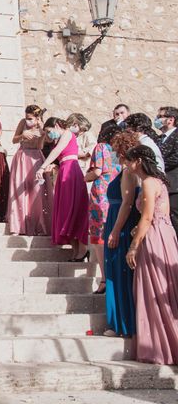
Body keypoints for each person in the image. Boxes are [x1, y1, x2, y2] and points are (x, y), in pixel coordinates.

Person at [124, 145, 178, 365]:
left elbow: (147, 218)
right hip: (166, 236)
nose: (127, 165)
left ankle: (160, 347)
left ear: (138, 160)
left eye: (129, 161)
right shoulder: (160, 182)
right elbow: (161, 214)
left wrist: (134, 246)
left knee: (152, 288)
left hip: (154, 238)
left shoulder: (147, 183)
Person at [103, 129, 141, 338]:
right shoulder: (127, 170)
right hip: (116, 221)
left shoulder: (128, 172)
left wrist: (115, 231)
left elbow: (127, 203)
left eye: (116, 149)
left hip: (121, 224)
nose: (114, 153)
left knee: (119, 272)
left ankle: (121, 323)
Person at [36, 117, 89, 260]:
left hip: (71, 172)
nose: (49, 134)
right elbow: (46, 148)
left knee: (74, 208)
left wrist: (42, 167)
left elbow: (58, 151)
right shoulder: (57, 139)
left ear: (57, 125)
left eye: (49, 131)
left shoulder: (67, 133)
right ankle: (76, 250)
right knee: (65, 210)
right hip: (63, 172)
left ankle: (83, 249)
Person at [85, 121, 121, 294]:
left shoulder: (101, 147)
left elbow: (97, 172)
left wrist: (84, 178)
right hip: (118, 195)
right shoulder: (121, 150)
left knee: (98, 236)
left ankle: (105, 278)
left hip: (101, 194)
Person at [6, 104, 51, 235]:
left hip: (36, 157)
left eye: (30, 118)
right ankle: (18, 225)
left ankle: (39, 225)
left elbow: (45, 142)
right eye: (26, 117)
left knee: (37, 190)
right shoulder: (22, 123)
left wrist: (42, 131)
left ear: (37, 118)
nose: (28, 120)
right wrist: (22, 135)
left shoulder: (42, 126)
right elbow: (14, 140)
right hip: (22, 156)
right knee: (19, 189)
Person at [155, 106, 178, 235]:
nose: (157, 120)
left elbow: (175, 158)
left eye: (160, 117)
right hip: (161, 185)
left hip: (174, 187)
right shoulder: (158, 138)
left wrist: (156, 167)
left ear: (170, 120)